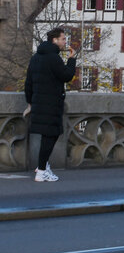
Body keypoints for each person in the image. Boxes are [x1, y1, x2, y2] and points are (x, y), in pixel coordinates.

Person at [24, 27, 77, 182]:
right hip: (51, 103)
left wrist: (30, 102)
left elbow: (28, 83)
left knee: (48, 136)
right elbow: (66, 76)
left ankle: (42, 165)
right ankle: (41, 171)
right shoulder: (53, 58)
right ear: (55, 40)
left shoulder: (36, 57)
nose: (65, 41)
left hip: (39, 103)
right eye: (63, 39)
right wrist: (72, 59)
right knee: (50, 136)